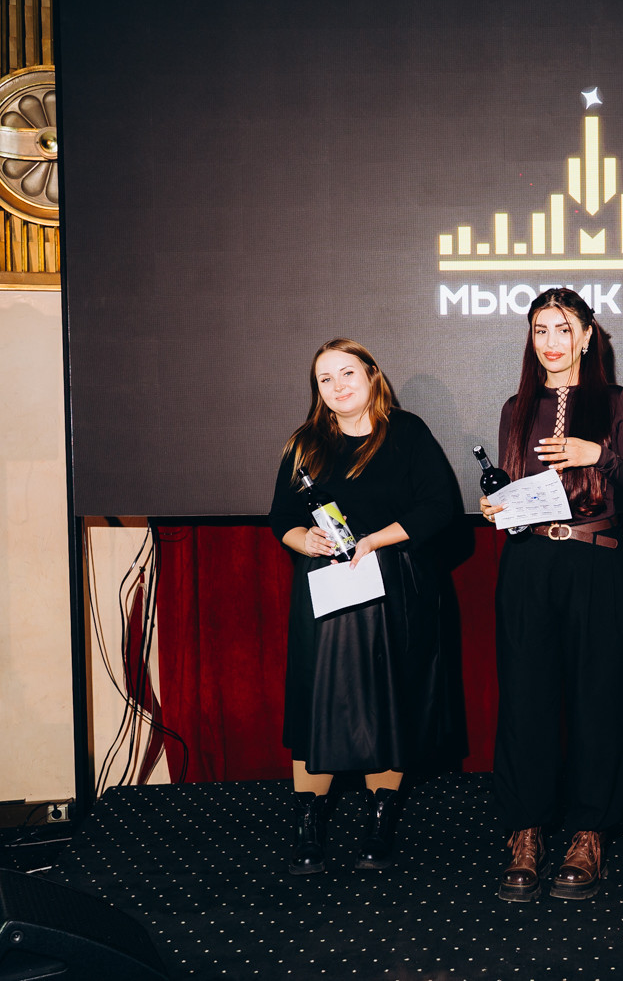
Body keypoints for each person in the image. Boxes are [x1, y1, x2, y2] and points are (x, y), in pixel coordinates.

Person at [478, 288, 623, 902]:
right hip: (528, 563)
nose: (551, 341)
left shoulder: (616, 402)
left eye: (563, 328)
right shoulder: (516, 406)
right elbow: (513, 490)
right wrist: (497, 507)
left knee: (598, 698)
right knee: (524, 699)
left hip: (596, 561)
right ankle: (524, 831)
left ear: (586, 336)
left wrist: (597, 454)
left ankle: (588, 833)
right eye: (540, 330)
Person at [268, 338, 458, 875]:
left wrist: (375, 540)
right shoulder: (304, 443)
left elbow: (440, 507)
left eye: (347, 372)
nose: (337, 386)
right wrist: (304, 539)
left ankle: (380, 820)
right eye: (325, 379)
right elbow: (281, 517)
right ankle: (308, 822)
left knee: (387, 703)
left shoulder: (407, 432)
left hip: (392, 584)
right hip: (326, 588)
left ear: (372, 375)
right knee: (317, 702)